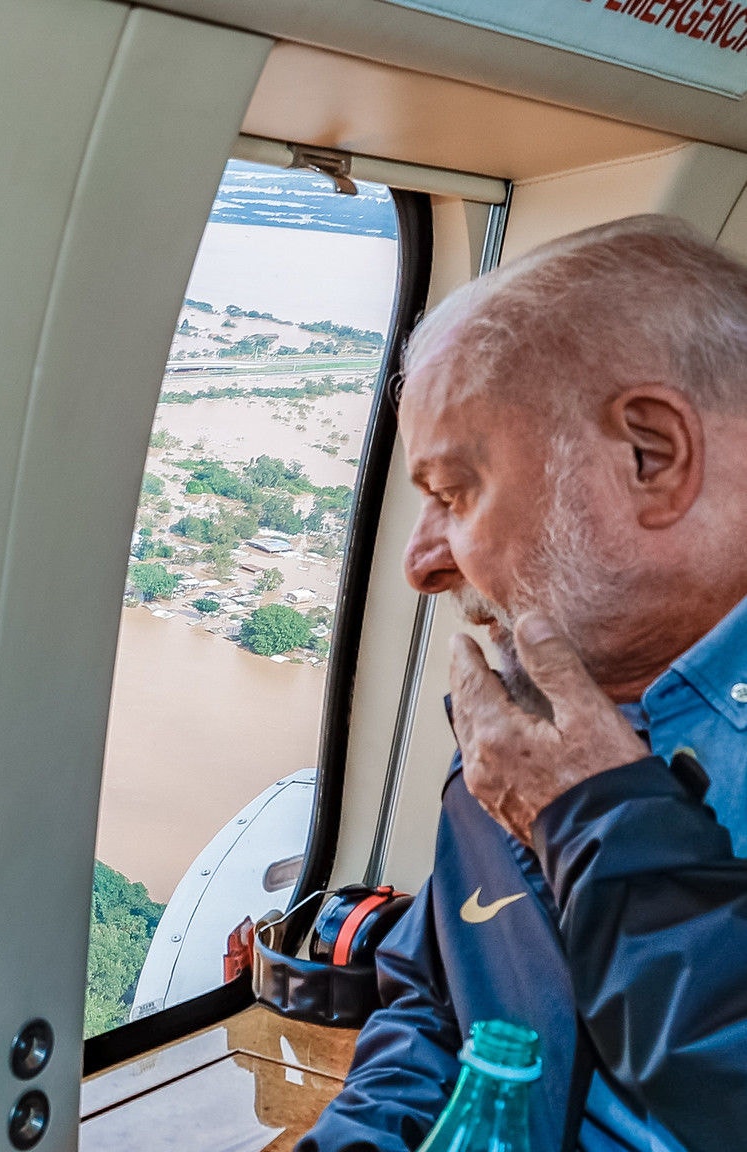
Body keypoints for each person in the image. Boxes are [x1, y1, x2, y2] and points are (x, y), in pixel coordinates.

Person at [299, 215, 747, 1152]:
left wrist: (598, 817)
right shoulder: (521, 729)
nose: (422, 563)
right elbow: (438, 1010)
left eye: (454, 492)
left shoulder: (556, 773)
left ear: (649, 456)